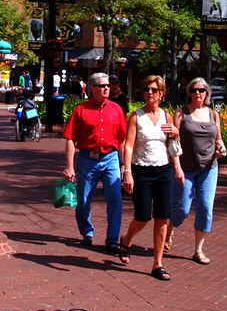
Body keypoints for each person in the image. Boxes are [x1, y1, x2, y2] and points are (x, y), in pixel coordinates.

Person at [116, 76, 181, 280]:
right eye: (146, 89)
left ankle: (157, 264)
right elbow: (128, 145)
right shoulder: (136, 117)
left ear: (161, 93)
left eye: (154, 90)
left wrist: (177, 133)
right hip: (142, 170)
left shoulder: (167, 116)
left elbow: (172, 145)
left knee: (162, 217)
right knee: (142, 217)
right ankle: (126, 240)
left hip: (163, 171)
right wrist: (127, 172)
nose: (149, 93)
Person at [62, 71, 127, 252]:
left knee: (115, 199)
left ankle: (112, 239)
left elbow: (122, 139)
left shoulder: (116, 109)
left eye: (108, 86)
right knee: (83, 200)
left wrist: (124, 166)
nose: (107, 89)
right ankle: (87, 231)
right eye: (102, 86)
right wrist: (69, 166)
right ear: (92, 88)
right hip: (87, 160)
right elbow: (69, 139)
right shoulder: (81, 110)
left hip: (111, 158)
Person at [165, 77, 226, 265]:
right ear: (189, 93)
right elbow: (173, 140)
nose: (197, 93)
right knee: (182, 207)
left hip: (209, 168)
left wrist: (221, 147)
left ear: (207, 93)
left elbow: (218, 139)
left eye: (201, 90)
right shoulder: (181, 113)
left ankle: (198, 250)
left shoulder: (213, 115)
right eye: (194, 90)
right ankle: (170, 228)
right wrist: (176, 166)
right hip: (186, 168)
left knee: (206, 208)